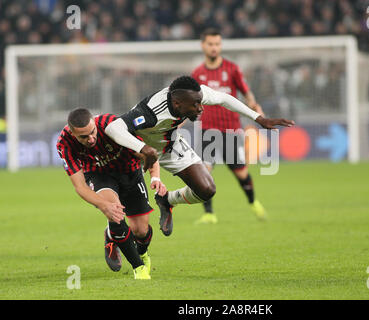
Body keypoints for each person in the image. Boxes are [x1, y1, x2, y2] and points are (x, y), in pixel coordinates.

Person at [104, 75, 294, 235]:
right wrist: (143, 148)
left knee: (207, 189)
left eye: (200, 102)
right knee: (134, 221)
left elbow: (224, 98)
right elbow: (113, 127)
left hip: (169, 146)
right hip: (137, 153)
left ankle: (167, 200)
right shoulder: (150, 111)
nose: (200, 108)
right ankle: (111, 238)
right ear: (177, 103)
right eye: (195, 105)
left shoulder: (193, 94)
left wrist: (259, 118)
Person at [56, 108, 167, 280]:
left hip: (130, 172)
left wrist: (155, 177)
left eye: (92, 133)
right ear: (72, 133)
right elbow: (80, 187)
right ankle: (139, 268)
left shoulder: (112, 125)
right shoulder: (64, 143)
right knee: (115, 214)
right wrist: (104, 205)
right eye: (83, 137)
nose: (91, 139)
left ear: (94, 122)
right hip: (99, 175)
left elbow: (147, 152)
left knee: (141, 231)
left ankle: (125, 243)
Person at [191, 28, 268, 224]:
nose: (214, 47)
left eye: (217, 44)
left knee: (241, 173)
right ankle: (209, 214)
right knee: (204, 173)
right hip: (207, 130)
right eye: (210, 44)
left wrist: (255, 107)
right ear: (203, 46)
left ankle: (253, 202)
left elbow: (246, 92)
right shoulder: (197, 73)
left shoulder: (232, 69)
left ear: (220, 45)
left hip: (231, 130)